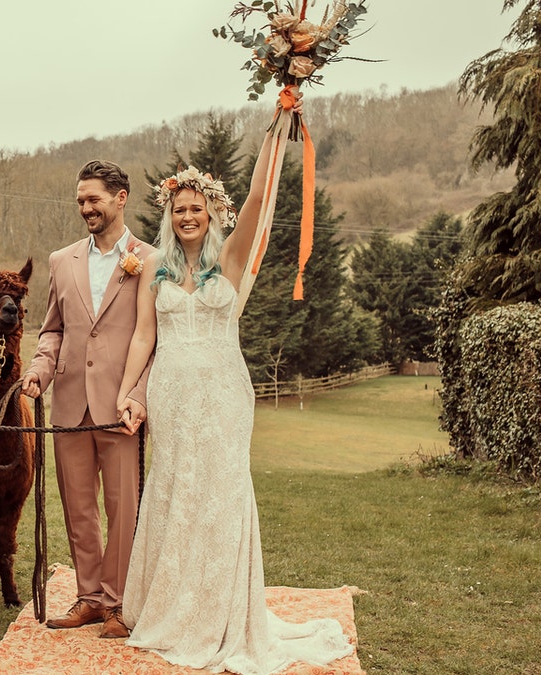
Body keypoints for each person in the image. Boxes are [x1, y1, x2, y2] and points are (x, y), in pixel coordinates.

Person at [114, 92, 355, 673]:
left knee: (220, 495)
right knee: (175, 493)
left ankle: (223, 615)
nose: (187, 217)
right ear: (169, 215)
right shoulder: (153, 267)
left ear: (212, 213)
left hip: (223, 393)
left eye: (197, 208)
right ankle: (172, 609)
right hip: (171, 392)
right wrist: (130, 391)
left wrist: (279, 124)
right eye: (179, 209)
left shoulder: (233, 261)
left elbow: (257, 199)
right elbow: (144, 337)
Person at [22, 159, 156, 640]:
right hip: (69, 405)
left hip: (122, 408)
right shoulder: (62, 261)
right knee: (78, 508)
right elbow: (51, 331)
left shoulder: (150, 259)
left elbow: (156, 339)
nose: (86, 208)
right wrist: (39, 370)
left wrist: (138, 395)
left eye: (94, 199)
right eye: (80, 200)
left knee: (124, 509)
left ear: (121, 198)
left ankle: (119, 603)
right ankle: (90, 599)